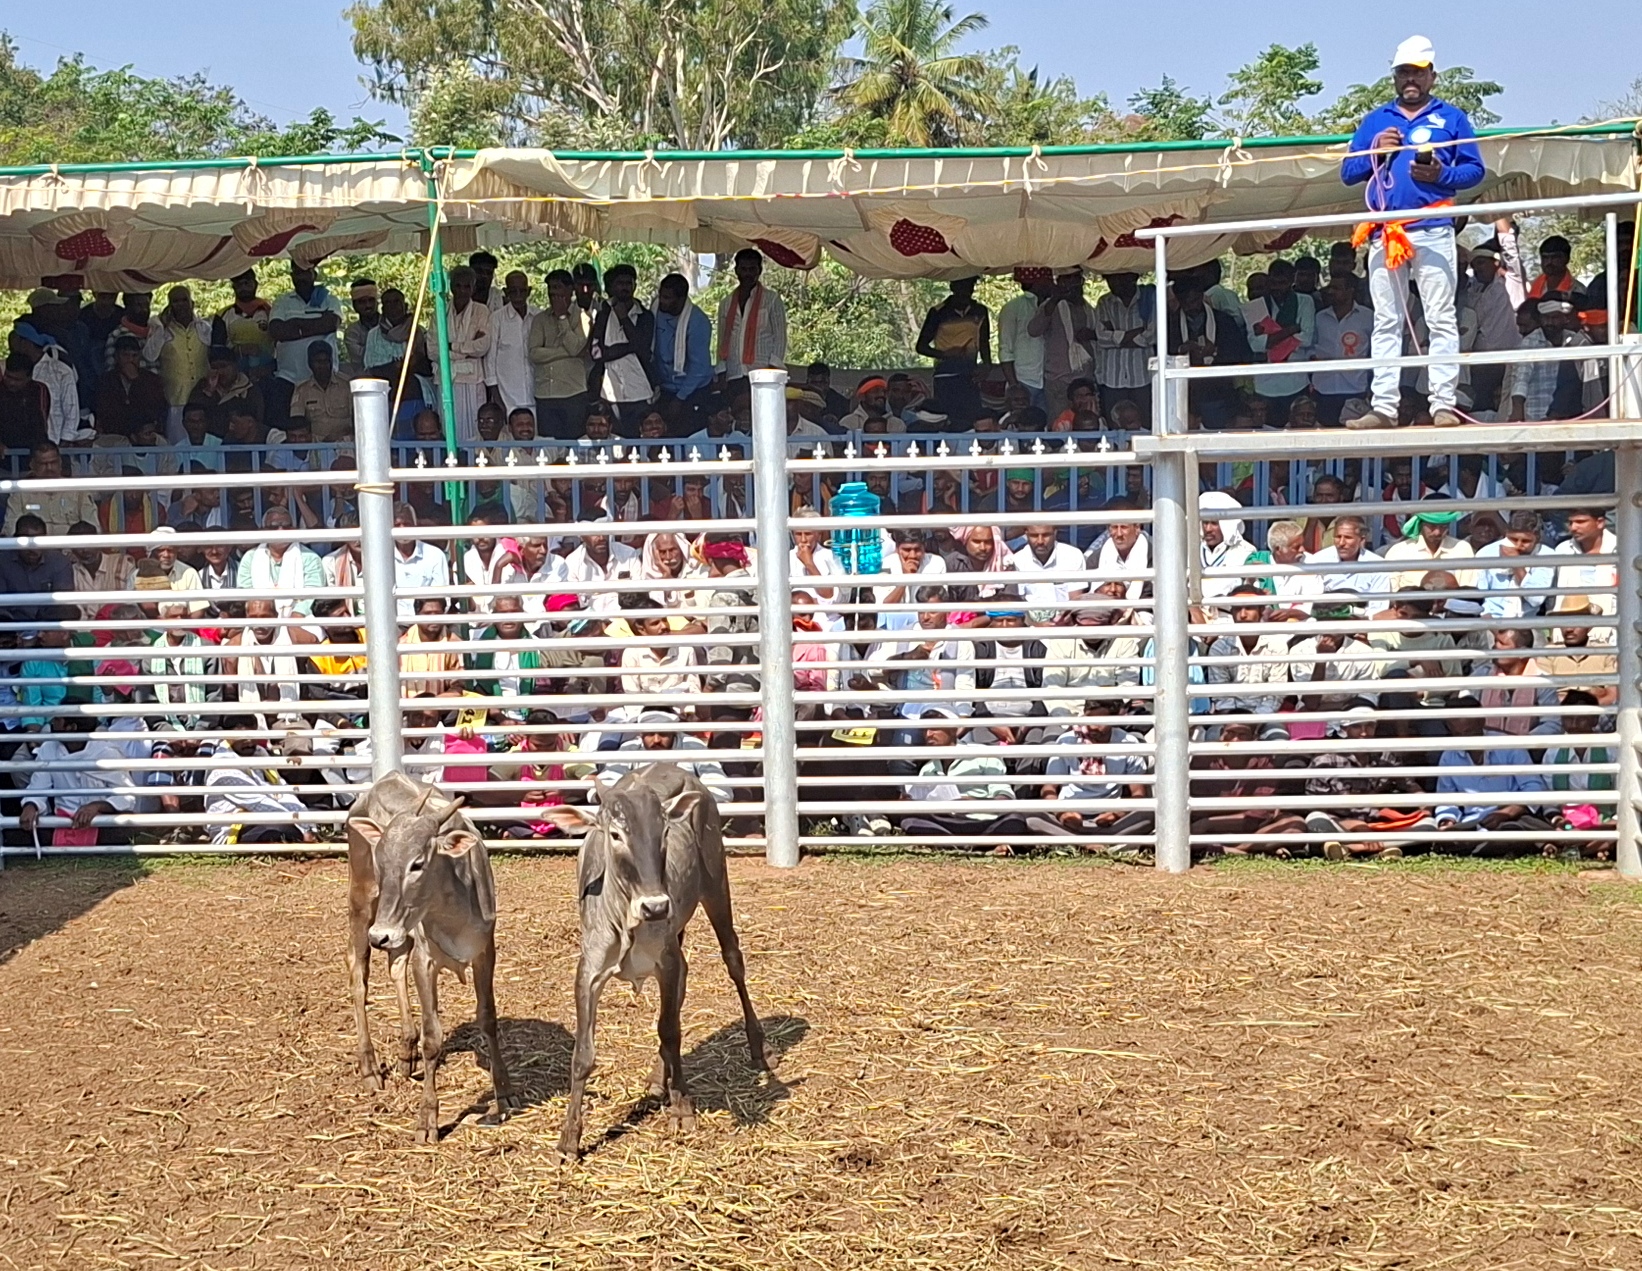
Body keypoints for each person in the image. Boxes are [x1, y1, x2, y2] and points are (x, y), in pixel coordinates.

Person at [1340, 36, 1485, 429]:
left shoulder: (1451, 117)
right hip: (1387, 232)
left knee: (1441, 318)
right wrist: (1375, 151)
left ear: (1431, 77)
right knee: (1386, 320)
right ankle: (1384, 408)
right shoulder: (1376, 120)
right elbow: (1348, 174)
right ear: (1394, 76)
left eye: (1418, 73)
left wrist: (1442, 174)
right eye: (1404, 72)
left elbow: (1475, 171)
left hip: (1434, 228)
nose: (1411, 80)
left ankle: (1442, 403)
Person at [266, 263, 343, 425]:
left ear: (314, 274)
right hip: (288, 379)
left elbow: (330, 324)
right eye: (297, 273)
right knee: (288, 429)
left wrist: (295, 325)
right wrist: (317, 324)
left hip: (324, 380)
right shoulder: (282, 301)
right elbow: (276, 331)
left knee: (325, 426)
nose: (301, 277)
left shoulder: (329, 299)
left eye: (305, 273)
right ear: (292, 276)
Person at [1241, 260, 1315, 424]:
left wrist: (1271, 336)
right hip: (1265, 383)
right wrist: (1291, 330)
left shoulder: (1305, 301)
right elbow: (1257, 345)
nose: (1277, 288)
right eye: (1274, 282)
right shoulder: (1256, 306)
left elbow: (1307, 338)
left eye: (1282, 283)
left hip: (1296, 380)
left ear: (1292, 280)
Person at [1170, 277, 1249, 429]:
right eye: (1185, 302)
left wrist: (1215, 351)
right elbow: (1162, 351)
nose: (1189, 306)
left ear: (1201, 296)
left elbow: (1238, 352)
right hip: (1183, 391)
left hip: (1217, 390)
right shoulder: (1170, 323)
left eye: (1193, 300)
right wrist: (1182, 350)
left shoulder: (1223, 320)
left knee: (1216, 433)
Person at [426, 265, 493, 444]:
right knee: (449, 429)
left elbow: (482, 347)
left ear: (473, 288)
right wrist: (466, 349)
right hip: (447, 379)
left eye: (467, 286)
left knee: (474, 430)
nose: (462, 291)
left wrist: (450, 346)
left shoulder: (481, 311)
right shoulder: (440, 312)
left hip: (473, 380)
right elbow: (432, 351)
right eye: (458, 286)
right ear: (451, 287)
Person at [1507, 296, 1602, 421]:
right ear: (1540, 319)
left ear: (1565, 319)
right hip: (1537, 413)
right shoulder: (1530, 342)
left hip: (1569, 414)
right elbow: (1521, 378)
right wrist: (1517, 409)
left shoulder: (1575, 341)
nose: (1549, 322)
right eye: (1546, 318)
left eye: (1554, 318)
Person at [588, 264, 655, 431]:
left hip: (639, 390)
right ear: (611, 287)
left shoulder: (645, 316)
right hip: (609, 392)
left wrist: (624, 318)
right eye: (620, 283)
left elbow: (643, 351)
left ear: (635, 286)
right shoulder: (602, 313)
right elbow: (596, 353)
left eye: (628, 283)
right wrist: (631, 346)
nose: (625, 287)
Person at [916, 277, 991, 427]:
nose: (966, 292)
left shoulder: (980, 310)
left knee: (971, 419)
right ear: (953, 287)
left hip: (970, 375)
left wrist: (986, 365)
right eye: (962, 288)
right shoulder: (938, 312)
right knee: (947, 419)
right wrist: (945, 354)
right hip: (945, 375)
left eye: (970, 287)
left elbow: (984, 342)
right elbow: (921, 346)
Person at [528, 269, 592, 440]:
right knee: (549, 448)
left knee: (574, 446)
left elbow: (576, 348)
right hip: (545, 395)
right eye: (550, 288)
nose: (553, 293)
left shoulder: (583, 317)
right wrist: (564, 352)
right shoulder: (539, 319)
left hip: (573, 394)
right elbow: (534, 354)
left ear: (570, 290)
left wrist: (562, 317)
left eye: (557, 287)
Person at [714, 248, 787, 392]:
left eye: (752, 269)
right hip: (733, 373)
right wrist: (722, 370)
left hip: (762, 372)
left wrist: (772, 369)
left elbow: (780, 338)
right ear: (736, 271)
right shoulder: (726, 303)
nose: (747, 274)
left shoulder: (772, 300)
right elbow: (722, 340)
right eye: (744, 269)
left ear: (759, 270)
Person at [1028, 269, 1095, 419]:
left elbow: (1102, 335)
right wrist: (1054, 299)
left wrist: (1092, 335)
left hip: (1085, 378)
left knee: (1086, 423)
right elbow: (1033, 330)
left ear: (1082, 281)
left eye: (1075, 279)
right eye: (1067, 279)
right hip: (1058, 379)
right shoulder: (1051, 306)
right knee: (1060, 424)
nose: (1071, 283)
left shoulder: (1088, 308)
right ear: (1059, 283)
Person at [651, 273, 714, 430]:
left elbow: (699, 368)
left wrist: (680, 398)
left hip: (693, 390)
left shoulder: (698, 321)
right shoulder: (655, 310)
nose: (662, 301)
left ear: (681, 299)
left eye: (667, 298)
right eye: (661, 295)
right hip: (665, 388)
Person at [236, 507, 325, 616]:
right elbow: (246, 594)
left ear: (293, 529)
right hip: (260, 617)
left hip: (300, 618)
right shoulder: (250, 558)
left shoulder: (310, 557)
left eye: (286, 526)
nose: (281, 530)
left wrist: (297, 614)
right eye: (274, 526)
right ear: (263, 531)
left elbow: (313, 594)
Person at [1309, 273, 1374, 425]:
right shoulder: (1319, 317)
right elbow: (1310, 347)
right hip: (1323, 389)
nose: (1331, 291)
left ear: (1351, 291)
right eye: (1330, 287)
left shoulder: (1368, 316)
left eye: (1337, 288)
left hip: (1355, 388)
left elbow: (1374, 350)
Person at [1092, 272, 1154, 425]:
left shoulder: (1149, 299)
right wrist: (1137, 332)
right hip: (1113, 378)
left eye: (1117, 278)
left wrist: (1116, 337)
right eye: (1109, 279)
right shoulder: (1104, 302)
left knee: (1144, 423)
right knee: (1114, 425)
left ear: (1133, 277)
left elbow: (1152, 335)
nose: (1113, 284)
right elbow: (1101, 337)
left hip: (1142, 377)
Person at [9, 319, 82, 445]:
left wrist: (62, 447)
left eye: (15, 340)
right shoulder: (8, 368)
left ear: (26, 343)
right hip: (18, 445)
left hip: (52, 444)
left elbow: (71, 411)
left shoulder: (60, 371)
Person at [3, 443, 100, 536]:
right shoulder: (20, 493)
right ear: (32, 465)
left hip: (72, 550)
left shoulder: (79, 491)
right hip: (36, 550)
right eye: (43, 464)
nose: (49, 468)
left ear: (60, 462)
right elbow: (10, 530)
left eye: (53, 463)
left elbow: (93, 528)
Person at [997, 267, 1051, 410]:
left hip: (1048, 380)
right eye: (1048, 279)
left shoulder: (1053, 306)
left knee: (1045, 427)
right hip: (1023, 380)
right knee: (1022, 423)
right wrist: (1014, 384)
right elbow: (1005, 349)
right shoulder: (1013, 307)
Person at [485, 270, 538, 415]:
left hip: (537, 396)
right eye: (513, 292)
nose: (519, 296)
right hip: (507, 399)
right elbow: (490, 362)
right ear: (506, 292)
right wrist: (498, 400)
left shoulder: (538, 316)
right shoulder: (497, 319)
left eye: (522, 291)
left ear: (529, 292)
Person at [212, 270, 275, 381]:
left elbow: (279, 345)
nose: (244, 288)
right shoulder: (222, 315)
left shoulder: (270, 311)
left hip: (266, 373)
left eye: (247, 283)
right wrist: (239, 350)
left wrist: (268, 367)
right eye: (239, 284)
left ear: (255, 284)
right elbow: (216, 351)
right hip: (235, 377)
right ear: (233, 287)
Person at [289, 341, 352, 443]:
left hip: (345, 443)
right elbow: (297, 424)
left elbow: (358, 420)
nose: (322, 366)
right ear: (310, 364)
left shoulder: (347, 385)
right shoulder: (302, 390)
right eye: (318, 362)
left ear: (331, 362)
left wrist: (339, 436)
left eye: (326, 361)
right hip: (315, 446)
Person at [340, 277, 380, 377]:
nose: (367, 305)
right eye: (362, 302)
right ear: (354, 305)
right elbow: (368, 358)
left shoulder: (391, 324)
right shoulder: (352, 332)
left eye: (371, 300)